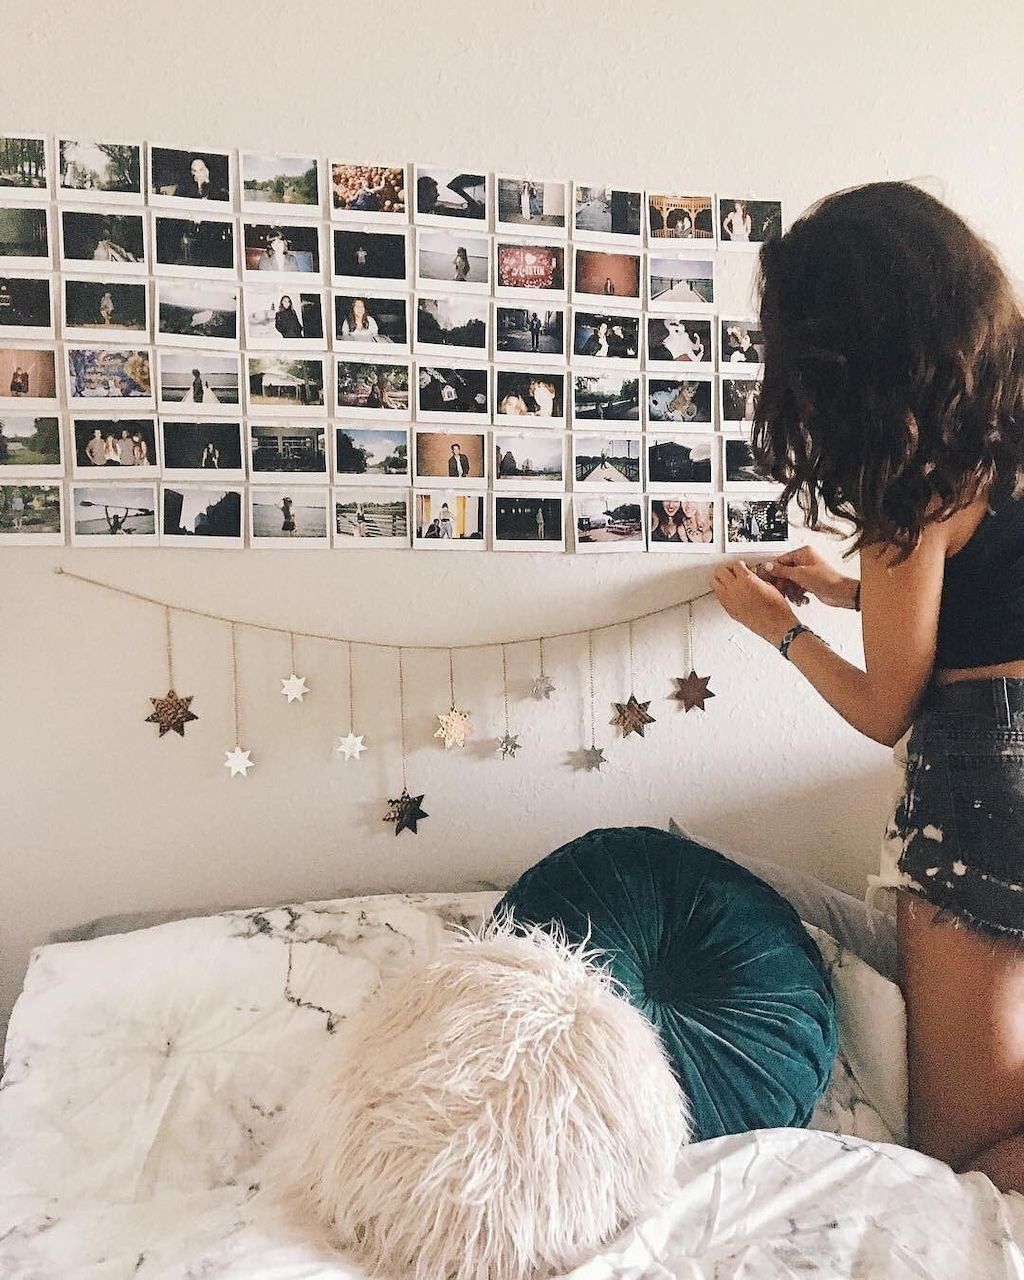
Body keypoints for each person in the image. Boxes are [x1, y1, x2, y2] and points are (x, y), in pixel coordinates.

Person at [710, 181, 1024, 1194]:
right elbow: (988, 600)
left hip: (990, 783)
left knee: (967, 1157)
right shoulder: (1006, 422)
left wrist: (780, 628)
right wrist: (855, 590)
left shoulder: (921, 474)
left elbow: (888, 706)